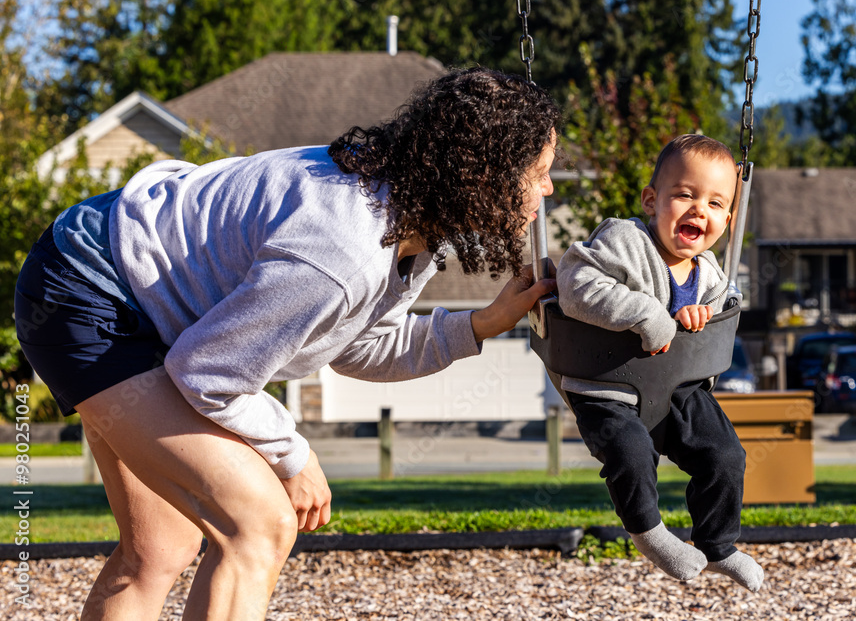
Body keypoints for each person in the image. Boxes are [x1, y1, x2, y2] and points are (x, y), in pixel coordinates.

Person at [14, 67, 560, 619]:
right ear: (483, 172)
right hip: (89, 290)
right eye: (538, 172)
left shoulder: (408, 228)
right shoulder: (342, 244)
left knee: (158, 549)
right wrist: (291, 456)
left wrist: (482, 324)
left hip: (131, 289)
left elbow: (358, 347)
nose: (549, 188)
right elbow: (209, 374)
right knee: (257, 523)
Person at [556, 134, 764, 592]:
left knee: (726, 455)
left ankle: (718, 544)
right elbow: (575, 284)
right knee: (630, 452)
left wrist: (701, 316)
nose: (698, 210)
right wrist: (649, 313)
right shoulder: (624, 240)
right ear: (652, 200)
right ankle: (651, 535)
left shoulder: (712, 274)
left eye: (714, 203)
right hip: (607, 384)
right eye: (684, 195)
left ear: (728, 220)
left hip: (678, 389)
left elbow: (718, 319)